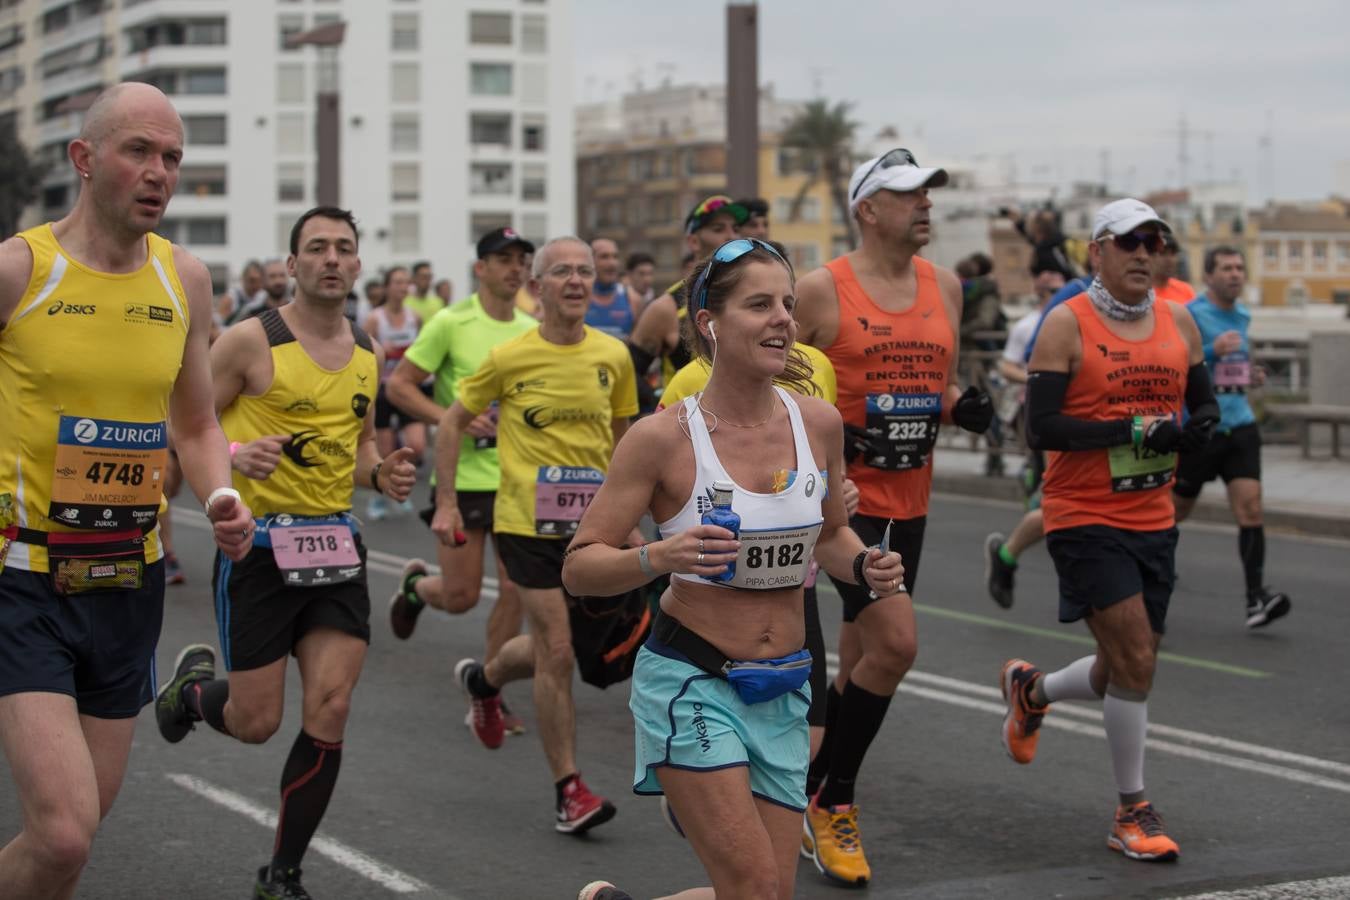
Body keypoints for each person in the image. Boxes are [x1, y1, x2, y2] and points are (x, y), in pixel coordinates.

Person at [563, 238, 903, 900]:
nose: (782, 319)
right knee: (750, 886)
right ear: (709, 324)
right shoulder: (662, 438)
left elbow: (831, 533)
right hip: (693, 680)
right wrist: (659, 556)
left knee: (766, 895)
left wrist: (865, 564)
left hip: (781, 689)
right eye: (759, 305)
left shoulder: (819, 423)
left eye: (787, 303)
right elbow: (580, 567)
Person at [0, 81, 253, 900]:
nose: (159, 172)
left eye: (172, 157)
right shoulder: (17, 270)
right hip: (23, 576)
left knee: (72, 842)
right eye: (138, 151)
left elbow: (197, 424)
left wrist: (218, 498)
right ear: (84, 159)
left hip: (124, 576)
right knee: (64, 831)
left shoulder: (185, 278)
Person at [153, 206, 418, 898]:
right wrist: (241, 453)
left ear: (358, 265)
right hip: (260, 552)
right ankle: (191, 694)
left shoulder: (369, 351)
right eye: (317, 248)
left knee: (330, 707)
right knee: (256, 722)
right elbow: (188, 425)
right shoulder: (248, 342)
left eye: (344, 248)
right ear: (293, 264)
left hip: (336, 547)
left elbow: (357, 448)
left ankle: (283, 874)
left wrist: (380, 472)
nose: (332, 259)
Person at [792, 148, 993, 886]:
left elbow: (931, 383)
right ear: (867, 209)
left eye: (929, 192)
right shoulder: (818, 292)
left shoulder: (946, 286)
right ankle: (832, 799)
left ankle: (804, 782)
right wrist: (838, 440)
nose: (925, 204)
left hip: (912, 497)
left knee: (866, 655)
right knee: (898, 645)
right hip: (843, 506)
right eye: (908, 193)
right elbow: (775, 393)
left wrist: (959, 406)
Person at [1003, 198, 1218, 864]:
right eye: (1130, 243)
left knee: (1126, 663)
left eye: (1156, 243)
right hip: (1082, 514)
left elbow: (1205, 407)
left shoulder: (1180, 321)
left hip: (1152, 515)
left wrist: (1193, 434)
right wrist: (1128, 431)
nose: (1145, 255)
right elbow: (1042, 428)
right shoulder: (1065, 325)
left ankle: (1031, 692)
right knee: (1137, 662)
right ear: (1096, 251)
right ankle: (1132, 810)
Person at [431, 236, 638, 834]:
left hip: (595, 527)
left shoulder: (614, 356)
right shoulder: (510, 357)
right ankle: (568, 791)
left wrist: (632, 519)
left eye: (585, 272)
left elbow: (626, 441)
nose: (576, 281)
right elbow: (452, 421)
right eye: (562, 272)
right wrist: (446, 502)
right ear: (538, 286)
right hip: (526, 522)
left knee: (585, 648)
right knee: (558, 650)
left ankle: (484, 678)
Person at [385, 226, 537, 736]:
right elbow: (401, 387)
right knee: (462, 596)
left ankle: (489, 691)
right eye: (504, 259)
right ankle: (414, 588)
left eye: (522, 259)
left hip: (517, 480)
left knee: (516, 586)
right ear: (481, 268)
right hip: (465, 476)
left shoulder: (531, 325)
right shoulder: (451, 322)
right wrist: (451, 417)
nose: (515, 268)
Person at [1173, 246, 1290, 628]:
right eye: (1226, 268)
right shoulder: (1191, 314)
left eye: (1240, 267)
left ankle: (1256, 598)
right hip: (1202, 429)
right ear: (1208, 276)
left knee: (1251, 508)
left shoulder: (1242, 314)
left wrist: (1249, 374)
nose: (1236, 274)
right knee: (1175, 511)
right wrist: (1211, 350)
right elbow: (1176, 364)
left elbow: (1233, 367)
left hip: (1239, 422)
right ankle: (1147, 574)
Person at [984, 262, 1066, 608]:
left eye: (1058, 289)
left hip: (1089, 421)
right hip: (1043, 416)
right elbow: (1005, 364)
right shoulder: (1032, 325)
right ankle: (1008, 552)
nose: (1052, 296)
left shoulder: (1085, 318)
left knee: (1060, 499)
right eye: (1047, 291)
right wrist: (1034, 379)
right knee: (1058, 501)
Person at [629, 196, 749, 407]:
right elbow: (629, 373)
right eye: (719, 229)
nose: (731, 236)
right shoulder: (667, 308)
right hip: (684, 430)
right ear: (693, 241)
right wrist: (663, 400)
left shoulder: (755, 297)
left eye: (736, 229)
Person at [363, 265, 425, 521]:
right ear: (387, 287)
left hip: (408, 388)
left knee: (417, 447)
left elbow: (422, 352)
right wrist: (383, 350)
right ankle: (378, 499)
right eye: (397, 282)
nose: (402, 287)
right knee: (386, 453)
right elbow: (364, 356)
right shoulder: (375, 319)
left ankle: (397, 484)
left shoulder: (415, 317)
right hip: (383, 390)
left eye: (405, 282)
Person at [585, 238, 638, 340]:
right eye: (604, 257)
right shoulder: (577, 297)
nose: (612, 263)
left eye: (615, 257)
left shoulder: (632, 298)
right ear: (589, 261)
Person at [1152, 232, 1195, 303]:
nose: (1169, 260)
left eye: (1173, 254)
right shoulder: (1142, 293)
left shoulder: (1186, 291)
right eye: (1163, 253)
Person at [218, 258, 263, 325]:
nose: (256, 285)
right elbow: (219, 325)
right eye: (252, 280)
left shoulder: (263, 298)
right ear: (243, 278)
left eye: (259, 281)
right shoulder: (230, 298)